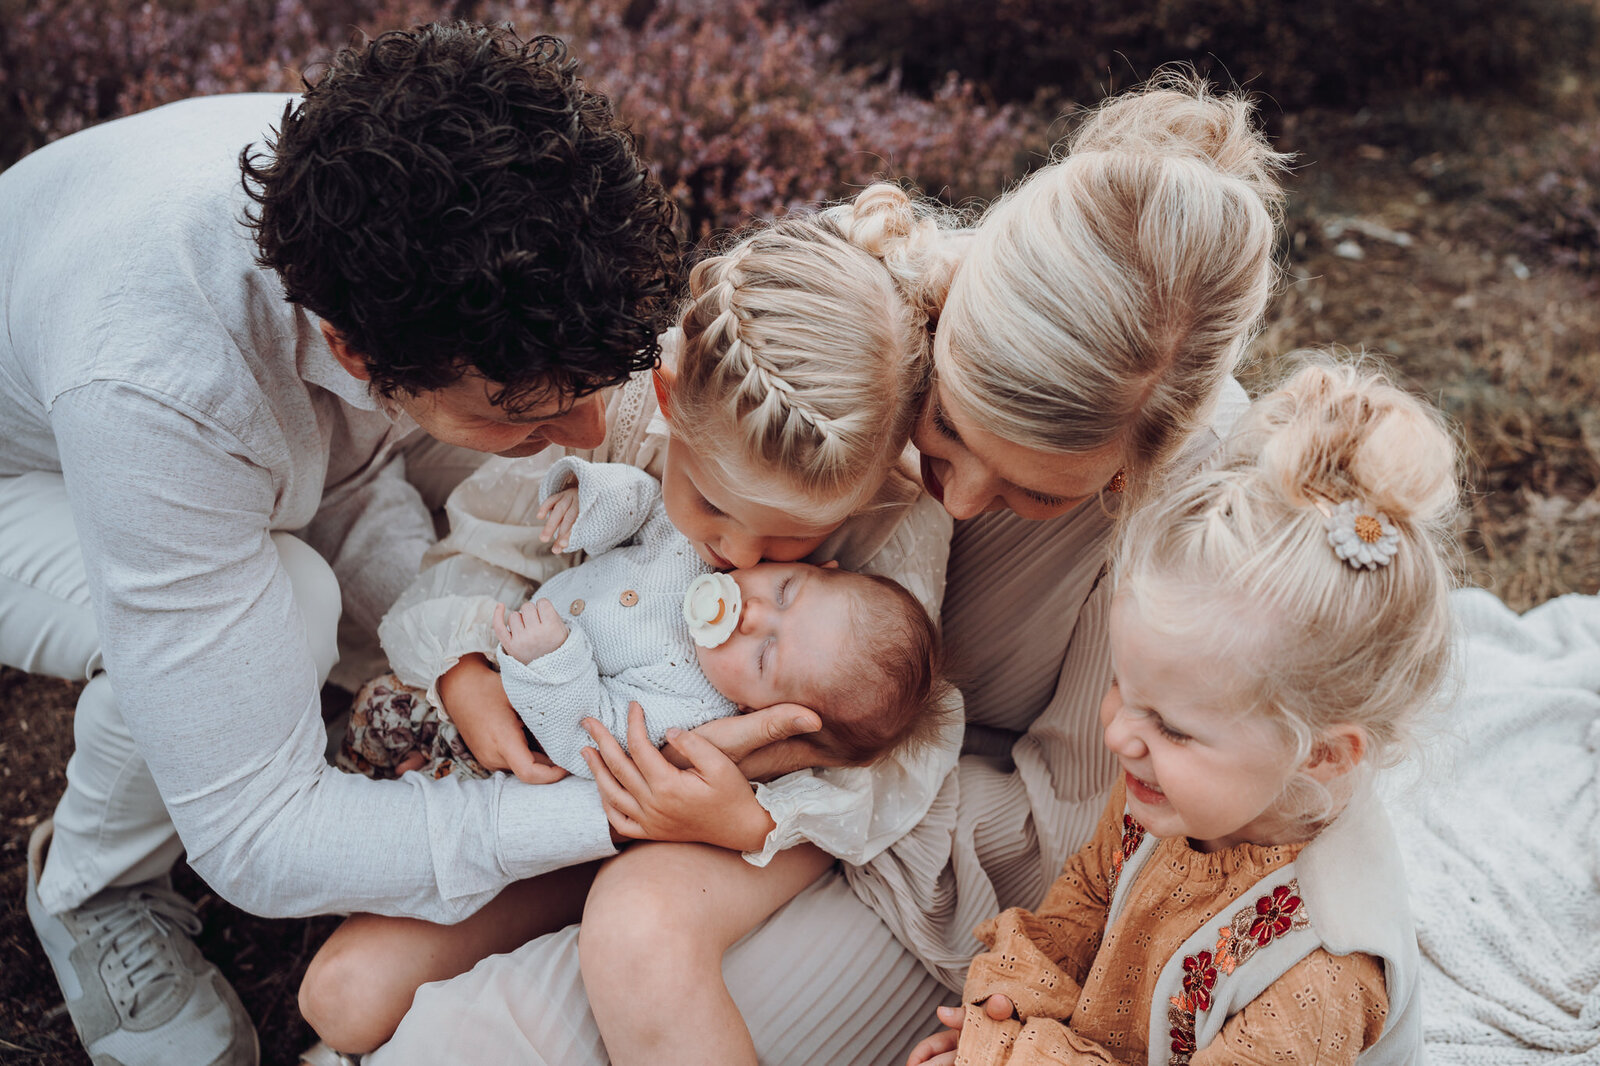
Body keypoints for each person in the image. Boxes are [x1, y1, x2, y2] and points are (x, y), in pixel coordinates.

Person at [365, 73, 1293, 1066]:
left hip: (913, 853)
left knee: (487, 1038)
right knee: (358, 995)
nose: (964, 500)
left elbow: (1058, 838)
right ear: (945, 323)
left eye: (1039, 495)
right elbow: (629, 463)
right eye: (944, 430)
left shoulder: (1183, 511)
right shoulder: (868, 309)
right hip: (668, 748)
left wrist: (764, 810)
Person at [2, 20, 697, 1066]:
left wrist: (457, 641)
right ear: (352, 347)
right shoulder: (160, 383)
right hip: (34, 473)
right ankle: (95, 890)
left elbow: (358, 470)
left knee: (421, 532)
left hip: (152, 407)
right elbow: (258, 834)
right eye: (523, 409)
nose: (586, 435)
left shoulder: (416, 212)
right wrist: (612, 814)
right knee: (290, 597)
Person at [296, 181, 963, 1058]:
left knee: (621, 933)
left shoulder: (896, 517)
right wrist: (465, 671)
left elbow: (892, 749)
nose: (742, 560)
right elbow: (470, 563)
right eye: (713, 507)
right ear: (670, 396)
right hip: (583, 801)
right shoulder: (623, 419)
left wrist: (742, 824)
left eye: (794, 541)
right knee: (338, 998)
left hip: (744, 824)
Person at [907, 359, 1455, 1066]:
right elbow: (1090, 891)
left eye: (1171, 727)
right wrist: (1015, 999)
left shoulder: (1318, 973)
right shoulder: (1179, 787)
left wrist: (1012, 1056)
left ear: (1319, 753)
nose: (1120, 733)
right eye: (1123, 693)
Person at [339, 455, 945, 782]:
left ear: (762, 714)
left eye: (764, 656)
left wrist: (553, 659)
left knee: (385, 743)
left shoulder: (691, 706)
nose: (752, 613)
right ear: (824, 566)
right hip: (484, 652)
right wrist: (590, 497)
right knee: (371, 710)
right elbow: (645, 506)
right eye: (784, 591)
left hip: (497, 733)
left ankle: (361, 783)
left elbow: (591, 742)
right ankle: (350, 758)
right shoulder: (698, 553)